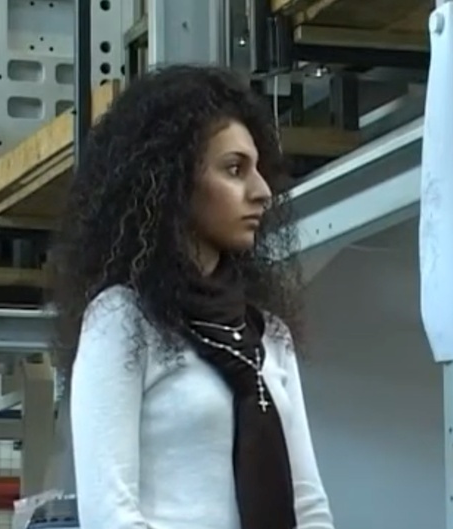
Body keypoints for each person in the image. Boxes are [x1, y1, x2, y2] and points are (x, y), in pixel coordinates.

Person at [48, 64, 334, 529]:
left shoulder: (268, 334)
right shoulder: (122, 319)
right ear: (173, 180)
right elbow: (109, 515)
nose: (262, 191)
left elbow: (310, 507)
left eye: (258, 170)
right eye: (234, 169)